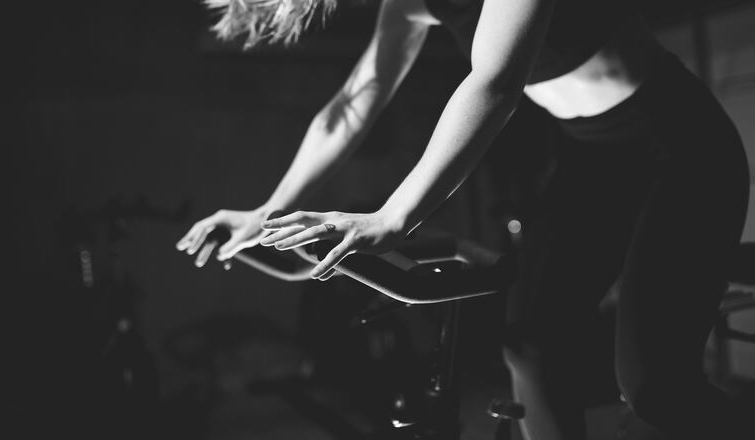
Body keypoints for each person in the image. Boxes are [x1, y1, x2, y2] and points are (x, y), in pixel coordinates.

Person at [176, 0, 752, 438]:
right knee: (530, 348)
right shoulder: (405, 5)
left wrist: (394, 215)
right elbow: (355, 103)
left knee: (656, 388)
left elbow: (494, 82)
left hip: (683, 150)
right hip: (593, 158)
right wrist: (268, 211)